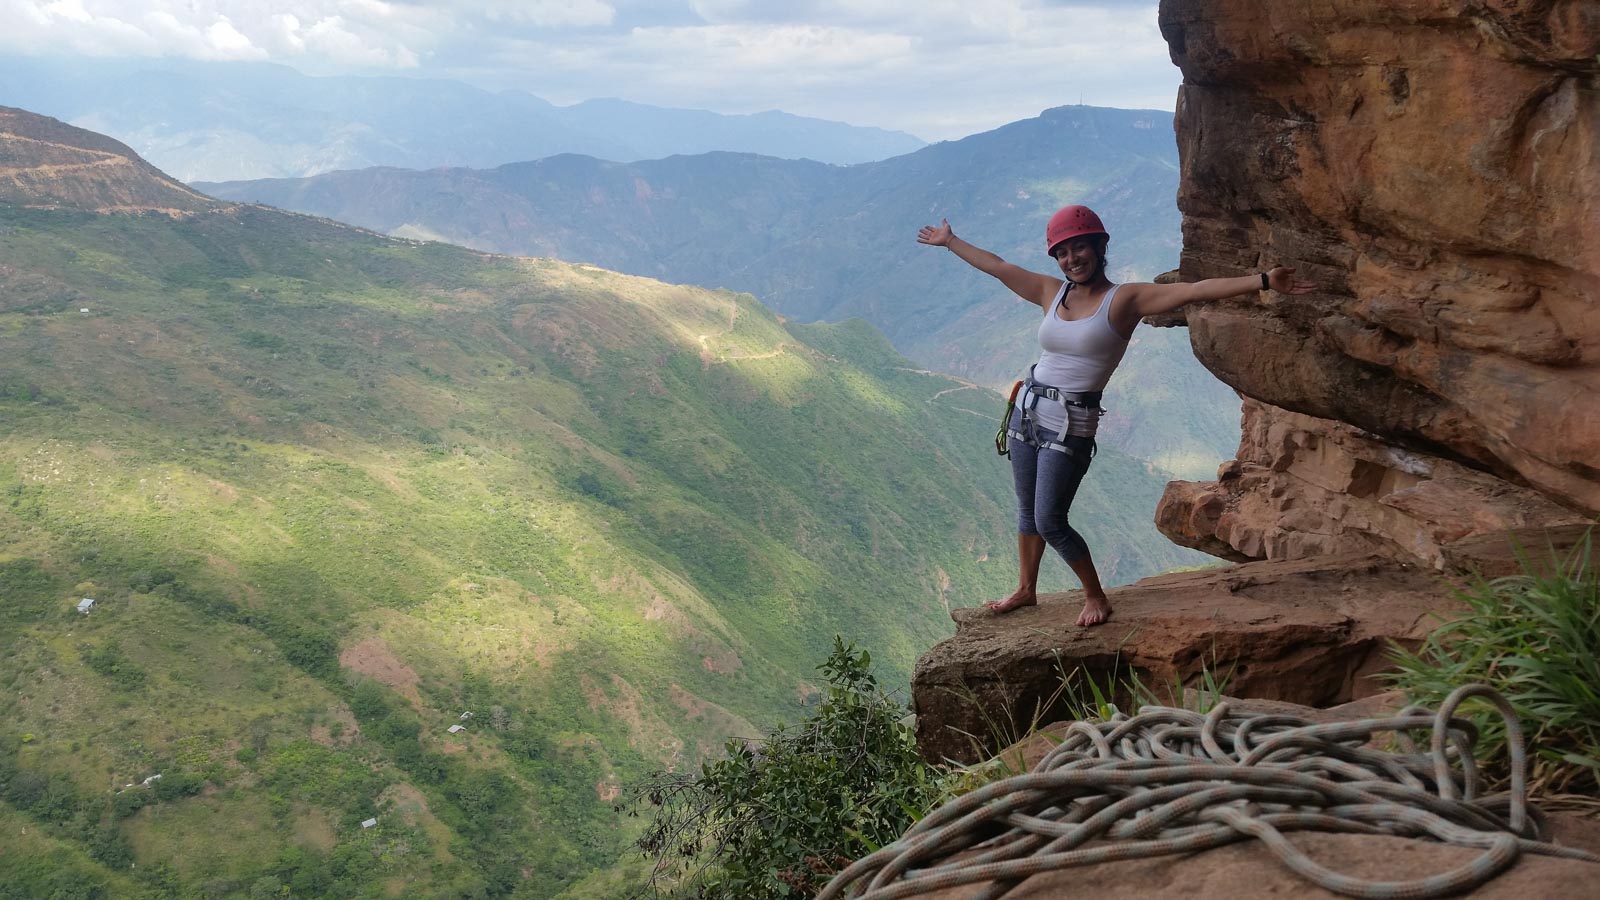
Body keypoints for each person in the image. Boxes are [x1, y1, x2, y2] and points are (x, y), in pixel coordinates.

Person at [917, 205, 1314, 626]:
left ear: (1098, 247)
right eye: (1064, 251)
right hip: (1026, 412)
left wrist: (1265, 281)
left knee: (1050, 520)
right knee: (1027, 510)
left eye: (1080, 247)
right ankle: (1026, 589)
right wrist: (950, 241)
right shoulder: (1052, 292)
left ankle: (1095, 597)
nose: (1073, 258)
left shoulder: (1124, 300)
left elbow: (1195, 290)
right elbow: (997, 266)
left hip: (1070, 424)